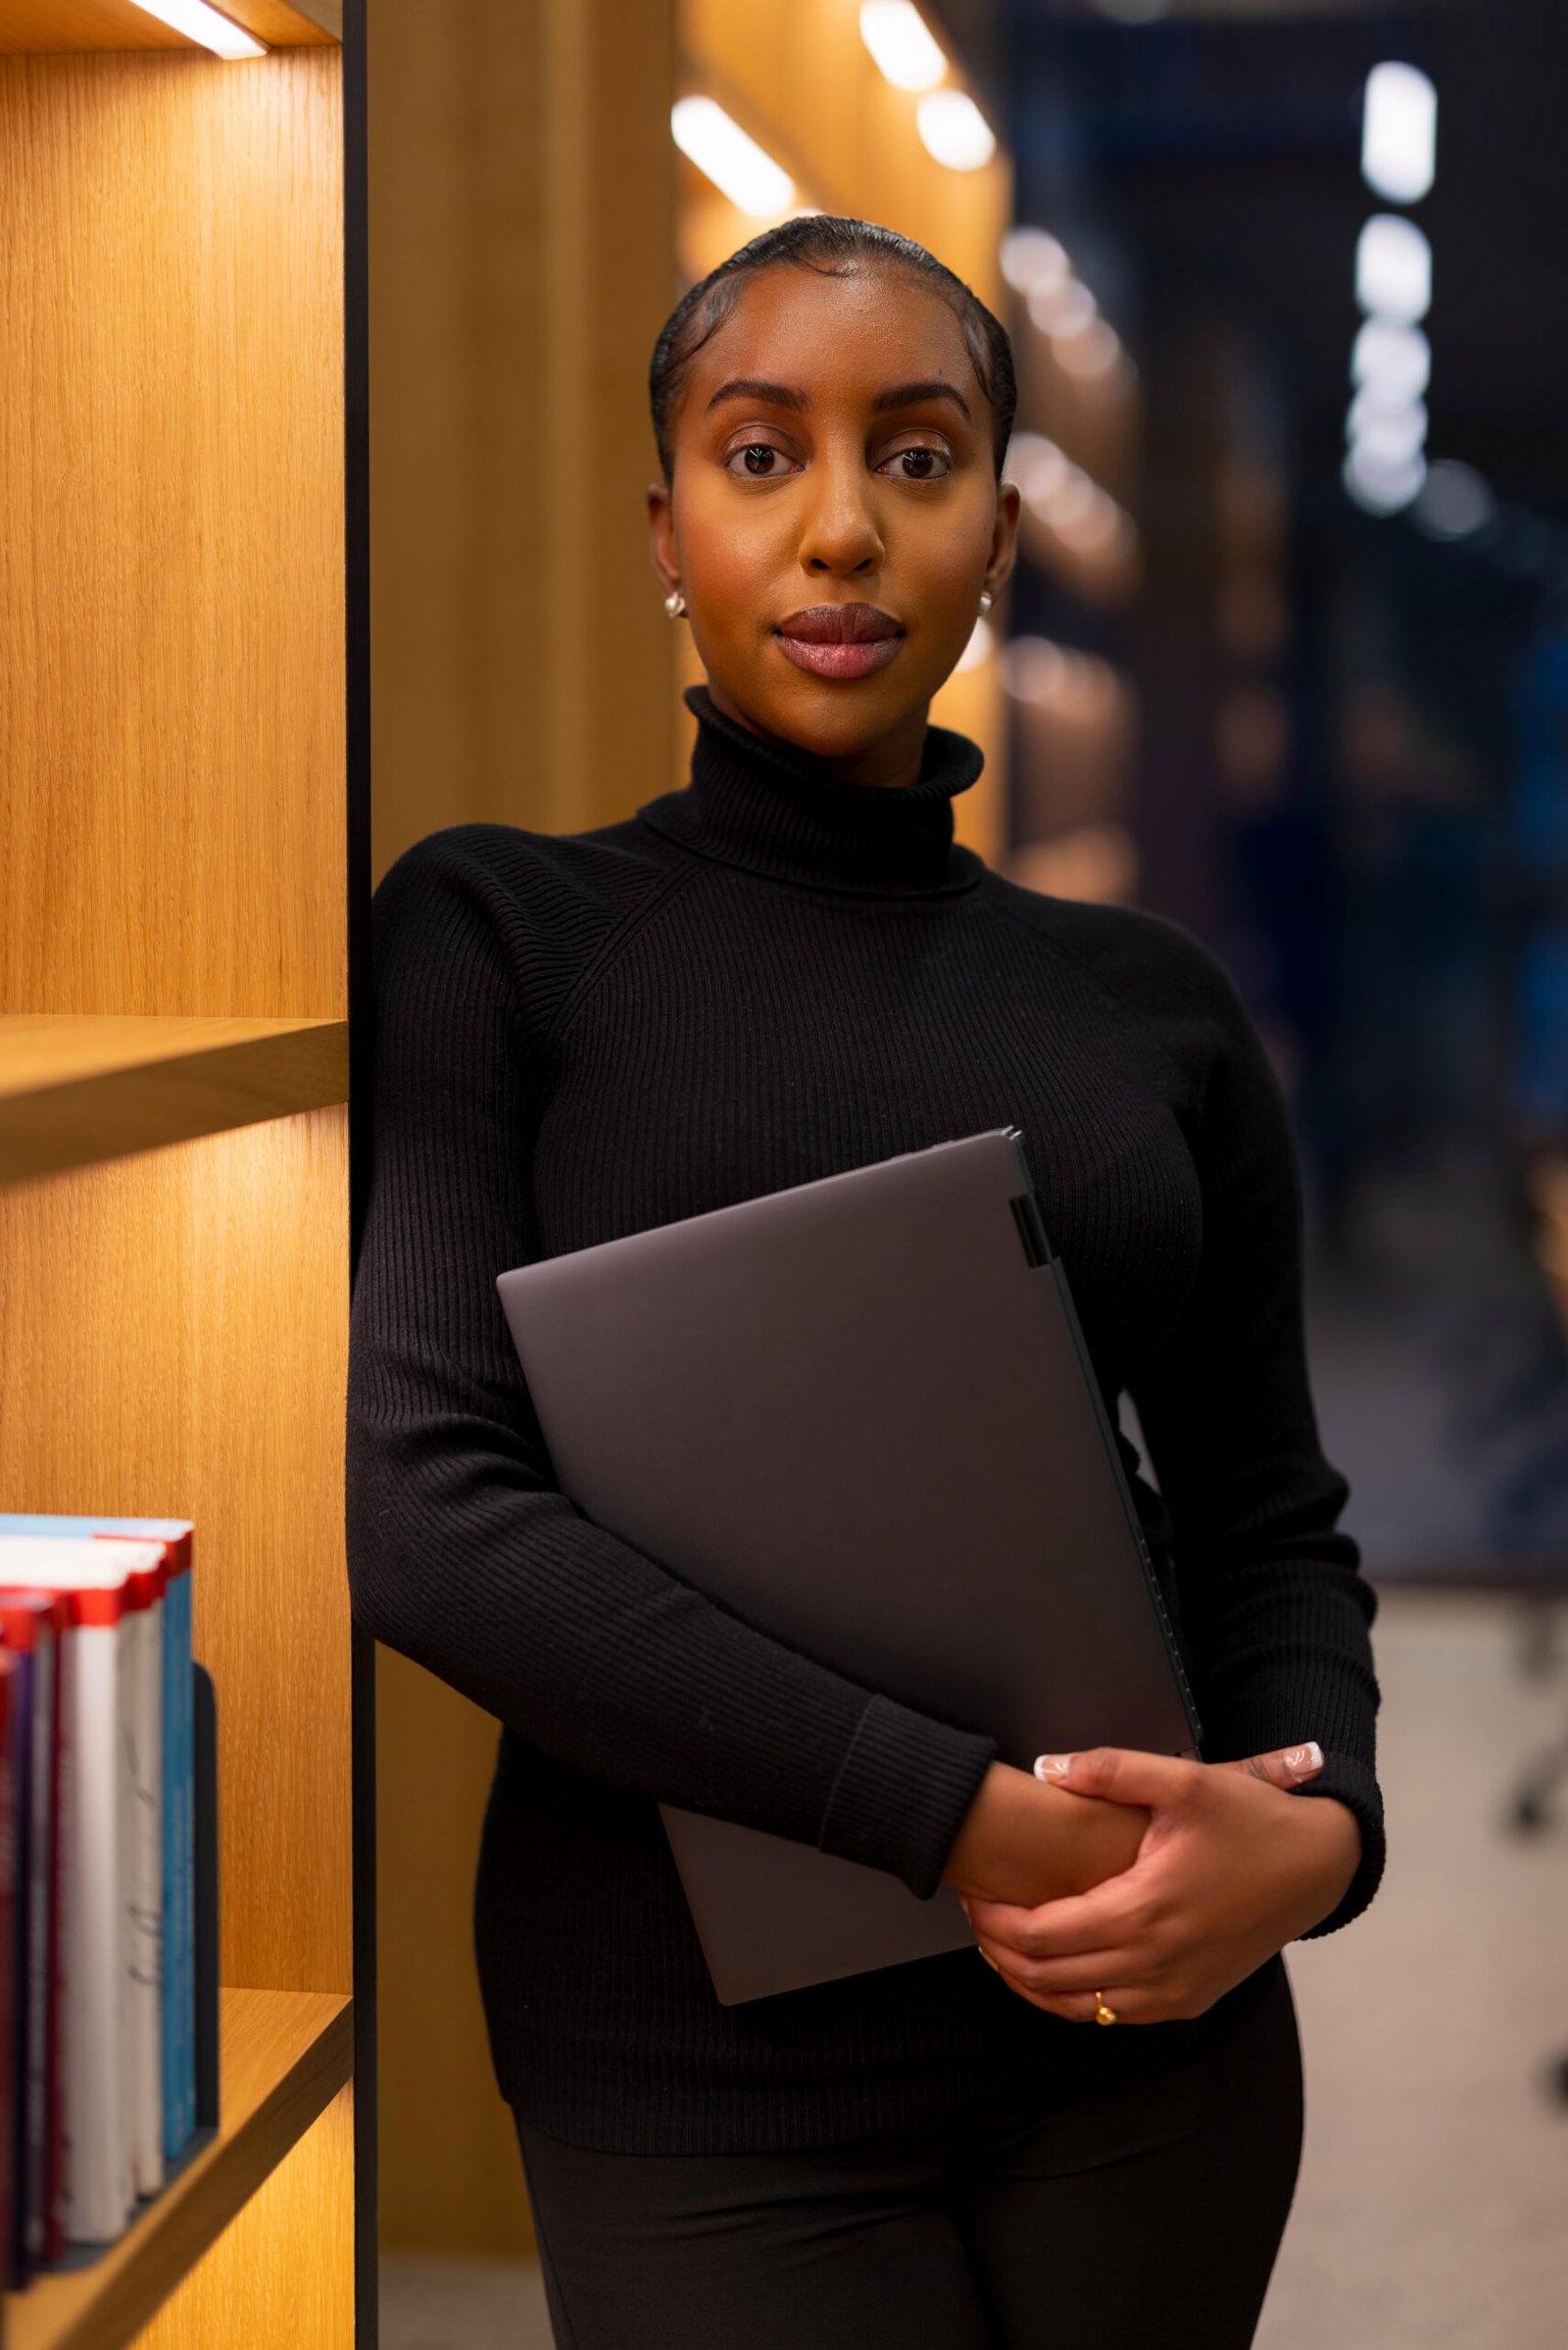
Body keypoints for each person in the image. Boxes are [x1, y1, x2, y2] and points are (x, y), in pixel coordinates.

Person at [346, 217, 1383, 2350]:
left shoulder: (1146, 1007)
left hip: (1139, 2029)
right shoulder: (495, 936)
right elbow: (433, 1517)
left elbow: (1268, 1520)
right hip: (690, 2062)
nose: (838, 530)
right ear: (666, 524)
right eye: (758, 456)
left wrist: (1322, 1833)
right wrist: (956, 1822)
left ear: (996, 531)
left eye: (913, 462)